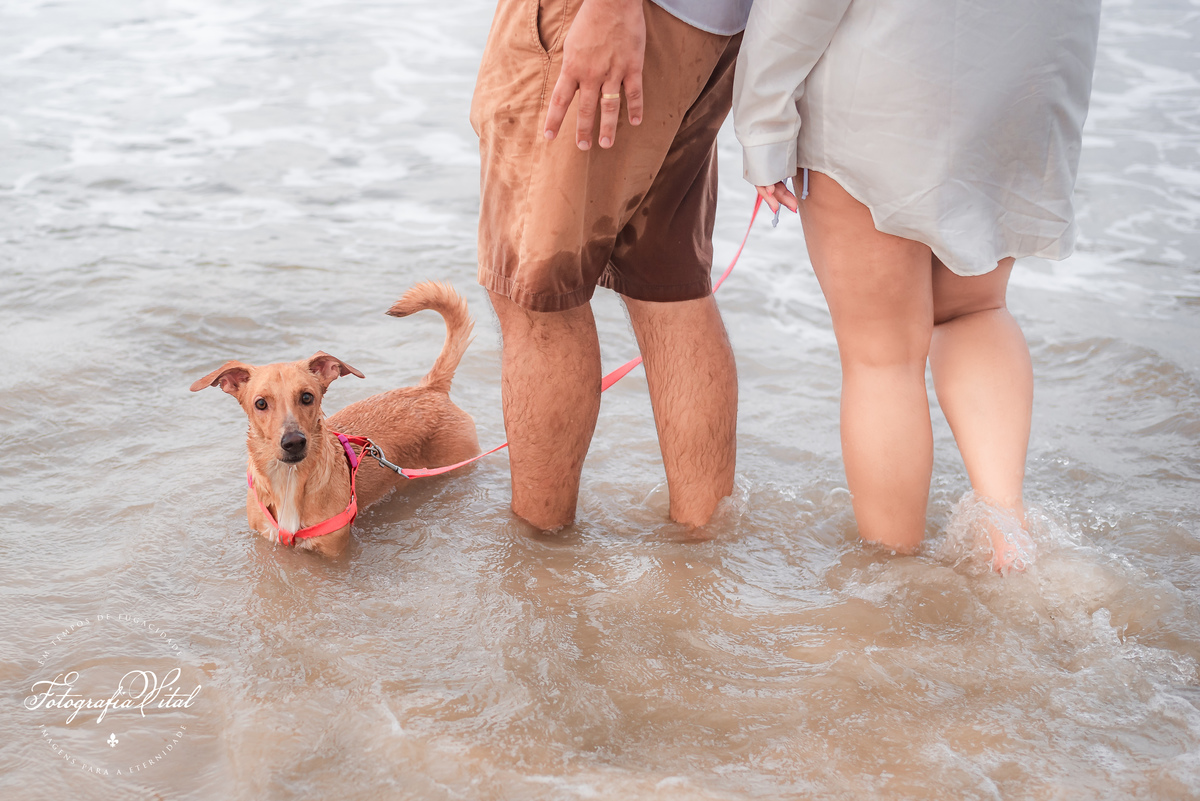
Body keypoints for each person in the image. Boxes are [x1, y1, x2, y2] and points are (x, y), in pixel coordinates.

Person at [732, 0, 1102, 569]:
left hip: (888, 75)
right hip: (1024, 78)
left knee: (882, 356)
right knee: (976, 307)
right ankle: (1010, 539)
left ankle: (892, 576)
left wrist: (762, 120)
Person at [470, 0, 753, 530]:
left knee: (536, 293)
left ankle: (541, 561)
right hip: (708, 23)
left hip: (619, 14)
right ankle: (703, 555)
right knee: (669, 286)